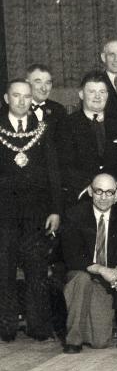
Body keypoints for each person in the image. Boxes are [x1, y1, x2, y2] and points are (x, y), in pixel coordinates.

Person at [0, 79, 62, 341]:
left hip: (36, 216)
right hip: (4, 216)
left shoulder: (42, 129)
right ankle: (7, 327)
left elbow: (53, 173)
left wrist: (55, 210)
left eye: (27, 96)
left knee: (37, 272)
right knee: (4, 271)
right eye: (17, 96)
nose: (22, 101)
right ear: (6, 99)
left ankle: (38, 327)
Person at [60, 173, 117, 353]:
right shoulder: (74, 215)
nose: (104, 197)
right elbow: (72, 256)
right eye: (99, 191)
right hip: (82, 273)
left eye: (109, 192)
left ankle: (93, 326)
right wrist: (101, 269)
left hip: (107, 278)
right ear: (90, 191)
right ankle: (73, 340)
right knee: (81, 279)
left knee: (100, 342)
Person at [57, 71, 117, 199]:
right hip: (82, 196)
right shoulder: (67, 124)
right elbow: (65, 166)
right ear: (81, 94)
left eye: (102, 92)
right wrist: (90, 188)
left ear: (108, 95)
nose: (97, 96)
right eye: (92, 91)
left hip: (116, 196)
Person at [25, 63, 67, 130]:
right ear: (27, 83)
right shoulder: (17, 109)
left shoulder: (59, 110)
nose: (44, 88)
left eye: (48, 83)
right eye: (38, 82)